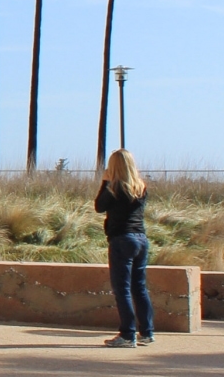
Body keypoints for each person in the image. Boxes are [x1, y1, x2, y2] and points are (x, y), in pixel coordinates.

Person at [97, 149, 154, 348]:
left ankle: (128, 334)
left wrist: (105, 182)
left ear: (114, 167)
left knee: (122, 289)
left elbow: (99, 206)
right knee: (139, 287)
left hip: (122, 239)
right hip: (141, 239)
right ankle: (146, 332)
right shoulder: (141, 187)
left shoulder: (114, 188)